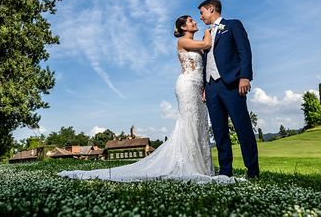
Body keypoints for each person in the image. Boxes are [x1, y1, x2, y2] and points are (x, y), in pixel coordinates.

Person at [58, 15, 234, 183]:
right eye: (190, 21)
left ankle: (202, 166)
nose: (195, 22)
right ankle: (186, 164)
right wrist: (207, 31)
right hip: (186, 86)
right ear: (182, 27)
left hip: (199, 87)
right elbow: (206, 43)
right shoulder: (182, 41)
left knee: (199, 124)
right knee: (188, 123)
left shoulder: (195, 44)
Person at [198, 0, 259, 179]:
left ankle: (253, 171)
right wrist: (204, 87)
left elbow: (244, 52)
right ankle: (225, 171)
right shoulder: (206, 34)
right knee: (219, 131)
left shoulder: (233, 25)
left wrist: (245, 76)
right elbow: (205, 61)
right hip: (211, 87)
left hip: (232, 84)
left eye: (202, 13)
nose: (201, 17)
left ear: (211, 9)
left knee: (242, 127)